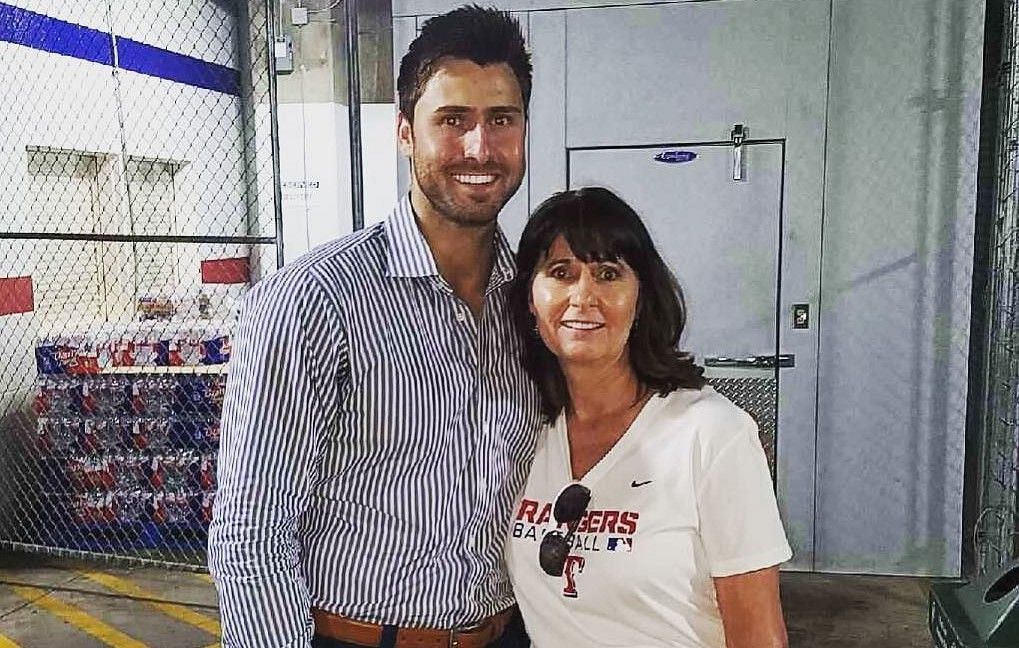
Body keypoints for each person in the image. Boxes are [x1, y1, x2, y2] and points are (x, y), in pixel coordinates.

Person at [208, 6, 543, 647]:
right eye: (452, 120)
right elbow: (251, 532)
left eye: (501, 120)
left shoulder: (531, 303)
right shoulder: (313, 299)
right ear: (405, 133)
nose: (480, 147)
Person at [504, 187, 792, 648]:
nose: (584, 296)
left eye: (608, 274)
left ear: (640, 299)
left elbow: (759, 636)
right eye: (561, 272)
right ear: (529, 301)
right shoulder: (521, 430)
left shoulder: (712, 434)